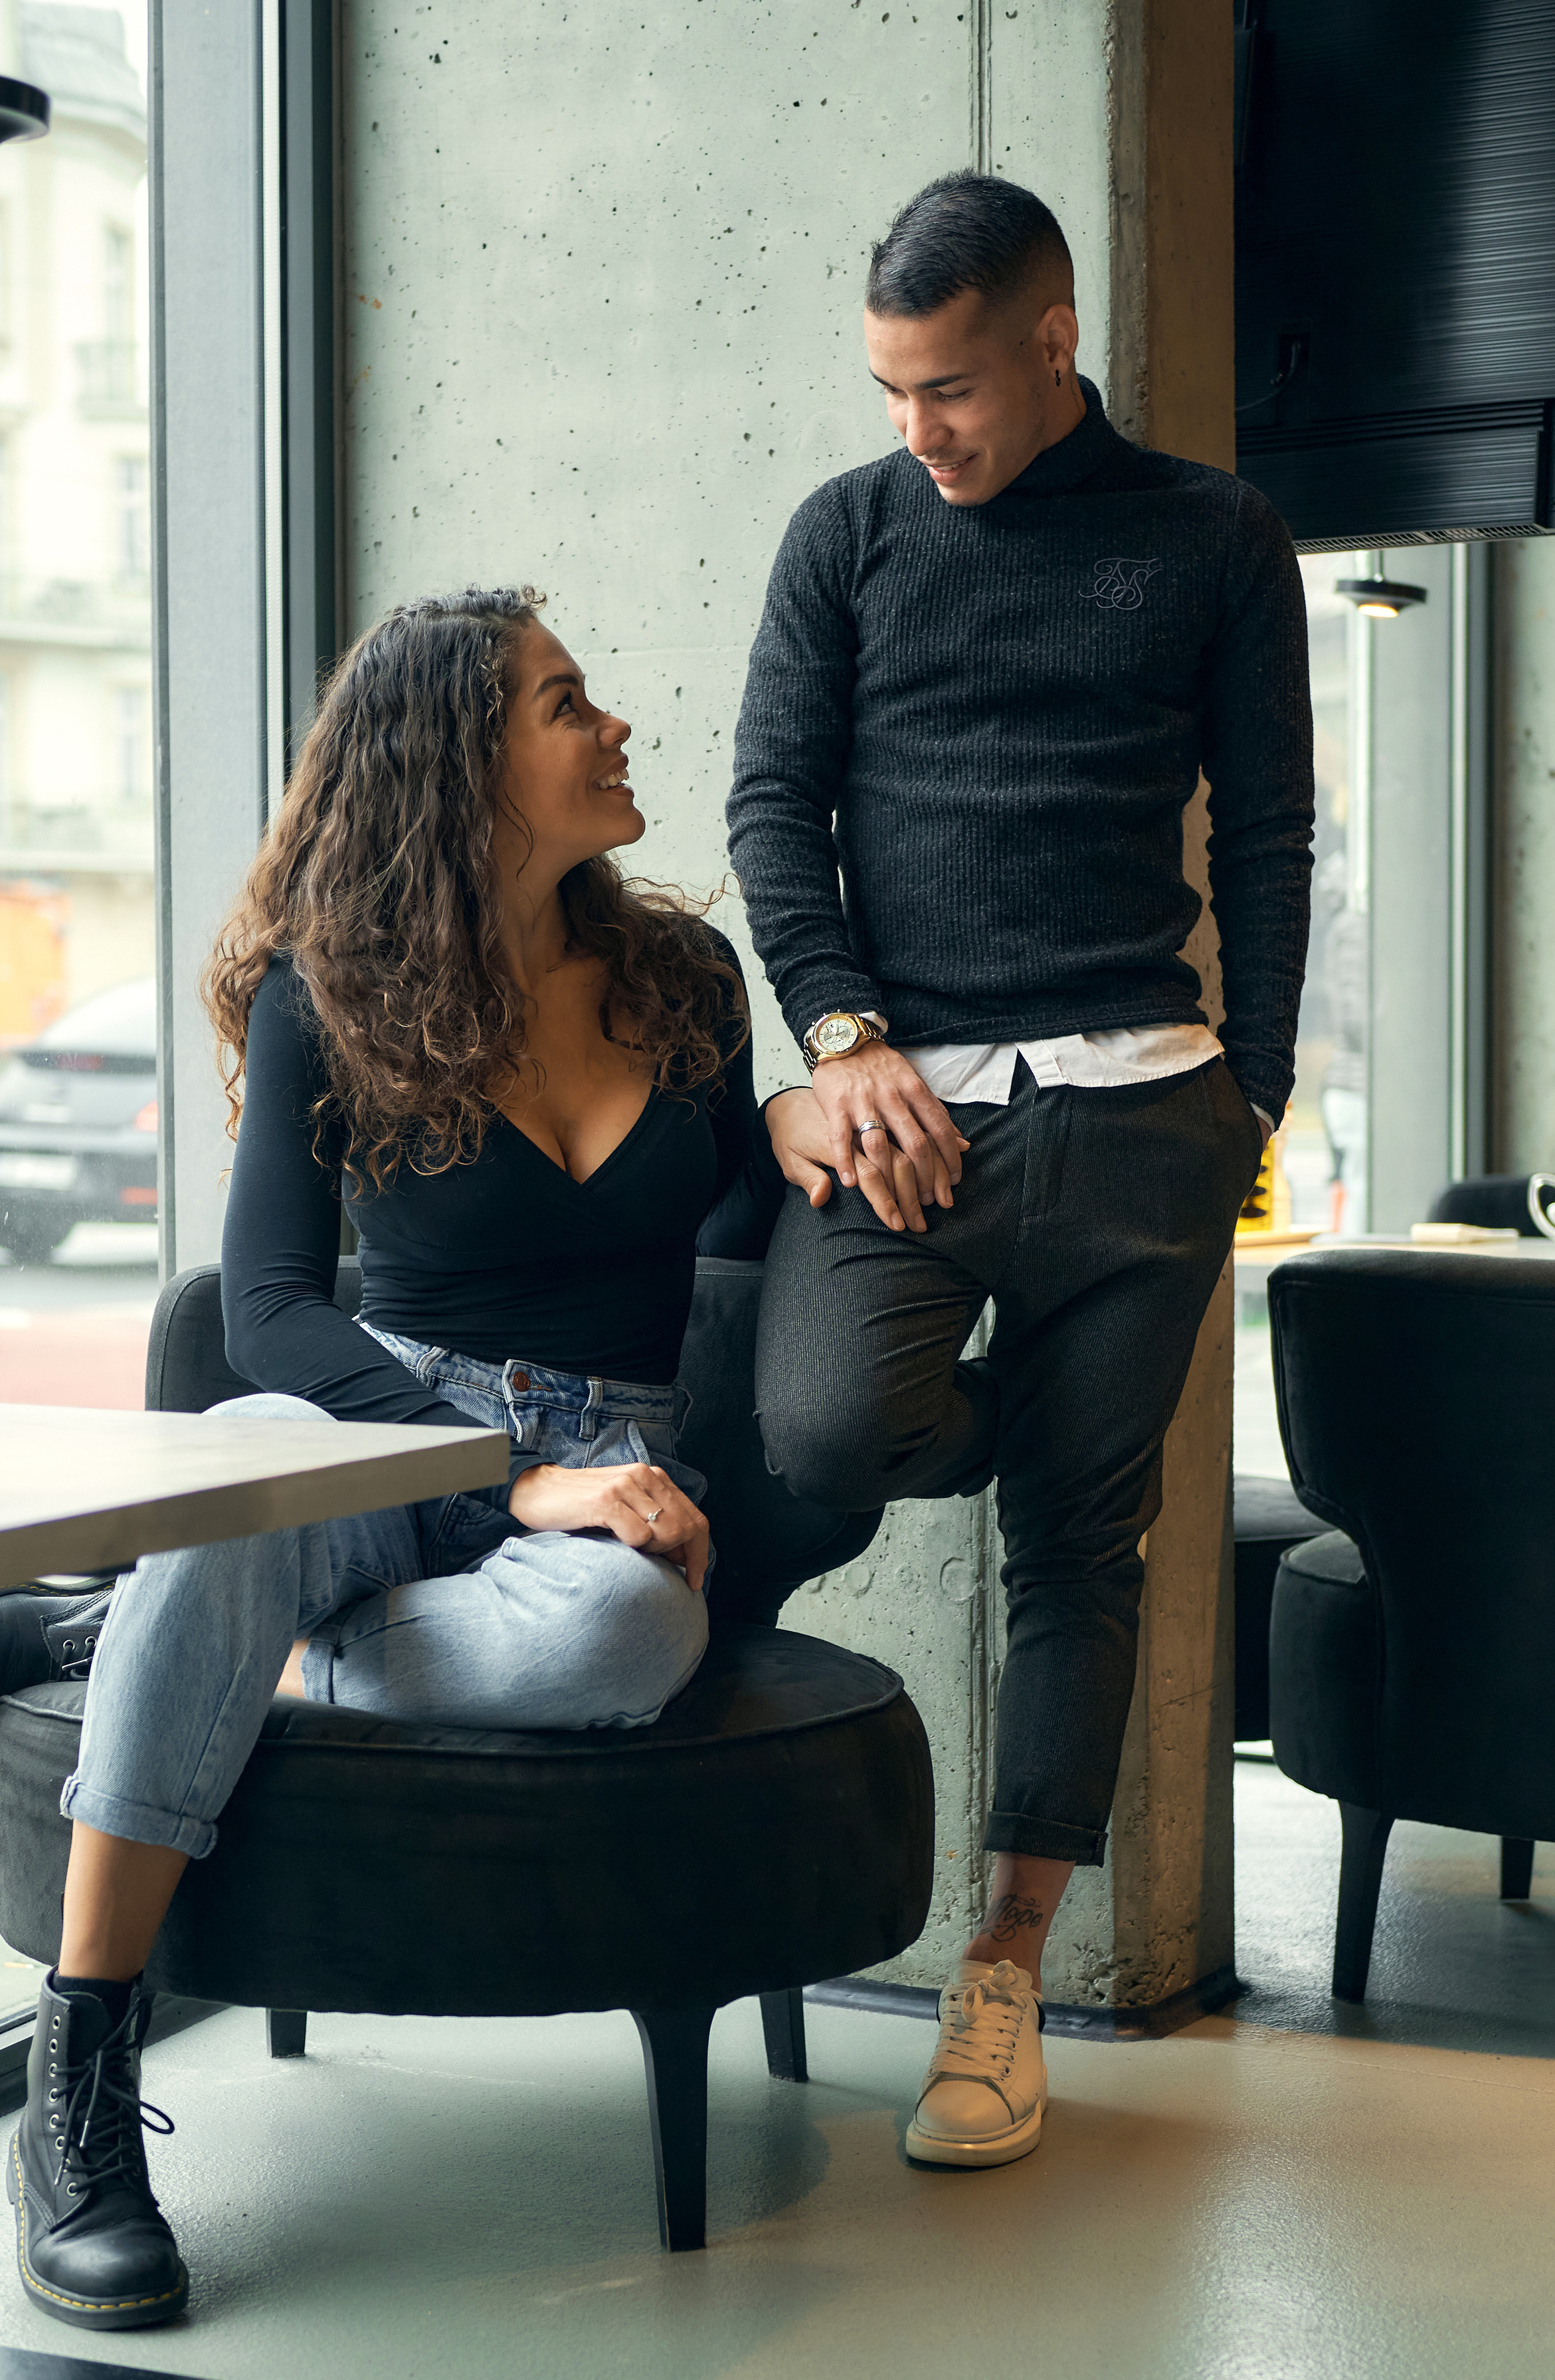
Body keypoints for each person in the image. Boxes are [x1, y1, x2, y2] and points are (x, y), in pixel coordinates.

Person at [0, 588, 849, 2331]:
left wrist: (792, 1111)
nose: (615, 725)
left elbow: (741, 1196)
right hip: (359, 1424)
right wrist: (502, 1476)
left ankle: (131, 1635)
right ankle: (81, 2100)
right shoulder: (322, 996)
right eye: (569, 702)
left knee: (628, 1633)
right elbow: (267, 1316)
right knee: (236, 1482)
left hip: (607, 1453)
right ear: (466, 765)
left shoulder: (686, 980)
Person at [728, 173, 1314, 2171]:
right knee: (824, 1420)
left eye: (954, 388)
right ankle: (1021, 1426)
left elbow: (1270, 839)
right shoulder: (850, 533)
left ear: (1055, 341)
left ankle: (1001, 1982)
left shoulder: (1215, 535)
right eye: (893, 390)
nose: (923, 431)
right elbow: (767, 806)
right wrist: (837, 1030)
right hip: (910, 1119)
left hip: (1145, 1113)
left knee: (1086, 1559)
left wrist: (1256, 1093)